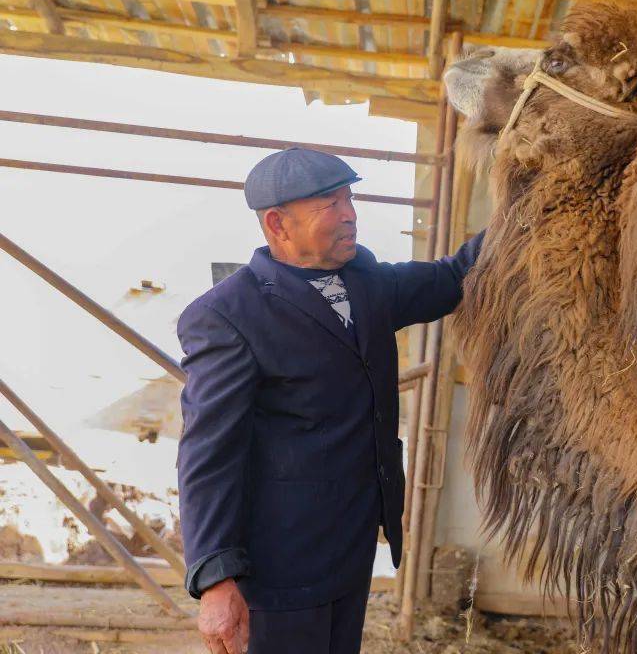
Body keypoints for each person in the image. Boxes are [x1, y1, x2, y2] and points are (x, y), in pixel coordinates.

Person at [176, 147, 484, 654]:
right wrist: (214, 579)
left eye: (349, 198)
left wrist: (530, 213)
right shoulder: (228, 315)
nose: (349, 215)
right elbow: (208, 453)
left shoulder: (364, 282)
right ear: (278, 224)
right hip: (279, 566)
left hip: (351, 546)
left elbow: (453, 278)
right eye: (329, 204)